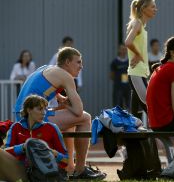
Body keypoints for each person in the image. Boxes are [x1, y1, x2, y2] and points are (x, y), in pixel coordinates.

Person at [13, 47, 104, 179]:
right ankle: (80, 170)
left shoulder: (46, 68)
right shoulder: (66, 76)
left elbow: (42, 89)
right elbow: (78, 111)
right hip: (30, 118)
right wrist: (67, 104)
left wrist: (61, 99)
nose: (81, 67)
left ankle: (70, 167)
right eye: (78, 62)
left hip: (22, 115)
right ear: (67, 62)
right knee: (84, 118)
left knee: (72, 122)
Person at [0, 95, 68, 182]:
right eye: (40, 109)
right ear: (29, 110)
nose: (44, 113)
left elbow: (67, 159)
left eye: (45, 109)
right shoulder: (16, 127)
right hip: (22, 171)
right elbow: (6, 152)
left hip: (44, 174)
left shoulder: (52, 128)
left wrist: (53, 153)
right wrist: (23, 147)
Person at [125, 0, 157, 119]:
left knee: (136, 113)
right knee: (150, 108)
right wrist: (138, 54)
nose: (156, 9)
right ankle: (161, 137)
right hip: (136, 72)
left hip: (140, 72)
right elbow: (128, 42)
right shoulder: (137, 23)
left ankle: (134, 137)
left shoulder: (141, 26)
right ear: (144, 9)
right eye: (153, 6)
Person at [110, 44, 131, 110]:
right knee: (117, 105)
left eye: (125, 49)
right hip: (118, 87)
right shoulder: (114, 62)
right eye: (122, 49)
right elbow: (111, 75)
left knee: (129, 105)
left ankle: (127, 119)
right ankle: (118, 119)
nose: (123, 51)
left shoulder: (129, 62)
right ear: (119, 50)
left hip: (128, 87)